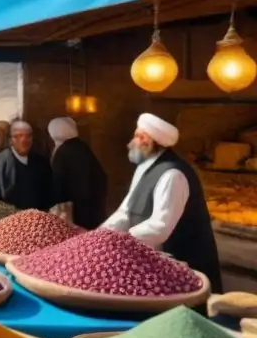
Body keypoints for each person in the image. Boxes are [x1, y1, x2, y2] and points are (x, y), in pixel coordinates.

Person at [101, 113, 222, 292]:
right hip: (153, 261)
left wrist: (121, 240)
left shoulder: (172, 174)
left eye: (136, 136)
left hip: (183, 265)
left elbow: (160, 226)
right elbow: (125, 212)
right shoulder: (144, 168)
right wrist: (101, 236)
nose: (130, 143)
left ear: (146, 140)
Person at [47, 117, 108, 229]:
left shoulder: (63, 151)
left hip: (74, 208)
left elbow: (58, 182)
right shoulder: (81, 146)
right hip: (90, 205)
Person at [0, 120, 53, 211]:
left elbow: (48, 195)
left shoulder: (42, 163)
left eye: (28, 136)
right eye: (18, 136)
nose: (23, 140)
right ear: (10, 140)